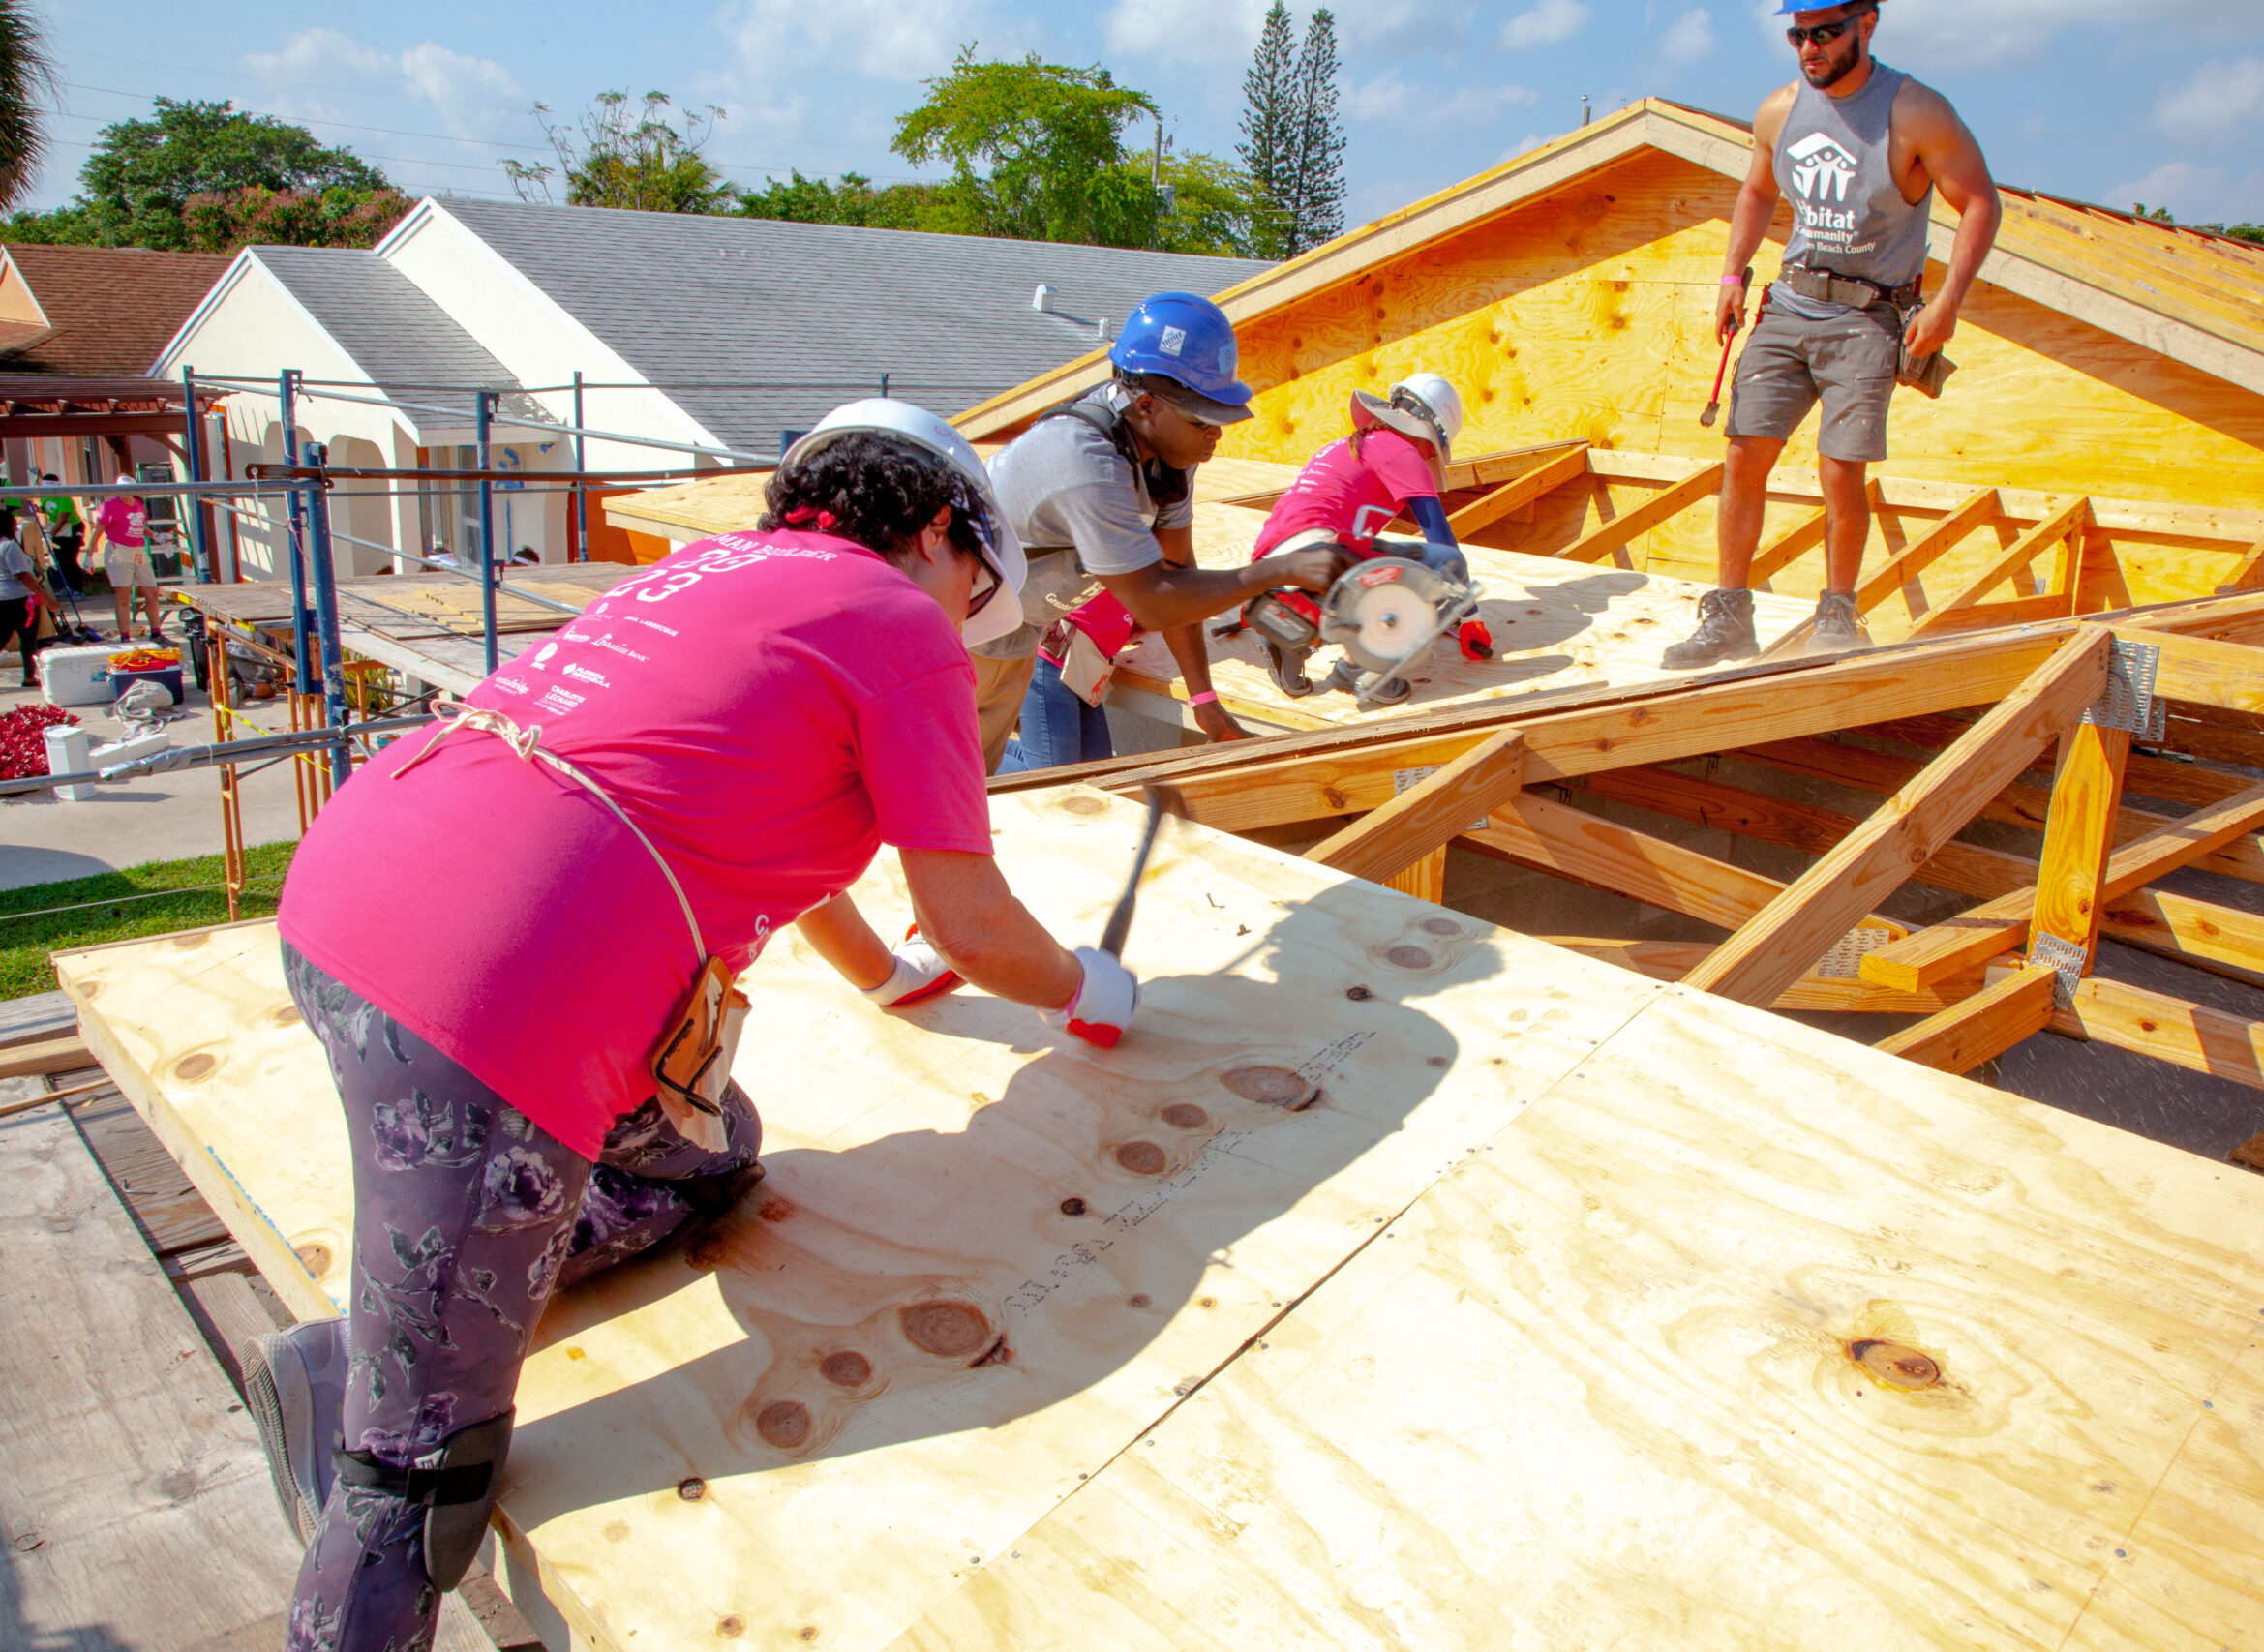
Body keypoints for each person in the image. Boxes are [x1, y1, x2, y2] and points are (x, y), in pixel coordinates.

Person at [235, 401, 1138, 1652]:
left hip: (358, 887)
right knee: (419, 1492)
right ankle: (379, 1376)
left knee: (708, 1154)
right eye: (974, 587)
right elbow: (974, 919)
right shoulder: (898, 620)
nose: (965, 621)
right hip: (489, 991)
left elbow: (760, 820)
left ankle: (403, 1324)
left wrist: (884, 977)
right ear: (939, 529)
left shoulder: (711, 574)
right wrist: (1088, 987)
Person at [1662, 0, 2000, 667]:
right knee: (1743, 452)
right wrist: (1732, 275)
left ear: (1866, 24)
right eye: (1798, 35)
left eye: (1825, 32)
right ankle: (1729, 616)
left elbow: (1980, 201)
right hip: (1790, 304)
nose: (1809, 47)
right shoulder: (1779, 111)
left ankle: (1837, 616)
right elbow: (1758, 192)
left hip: (1869, 316)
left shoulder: (1914, 112)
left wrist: (1948, 303)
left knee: (1840, 469)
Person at [981, 291, 1349, 773]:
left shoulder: (1168, 455)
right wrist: (1278, 571)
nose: (1216, 434)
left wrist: (1205, 702)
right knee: (1004, 785)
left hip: (1019, 630)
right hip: (959, 630)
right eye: (1204, 420)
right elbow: (1155, 600)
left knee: (1003, 780)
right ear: (1148, 405)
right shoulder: (1086, 461)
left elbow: (1178, 574)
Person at [1244, 373, 1494, 705]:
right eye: (1432, 450)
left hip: (1272, 564)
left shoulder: (1349, 444)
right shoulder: (1404, 452)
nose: (1428, 458)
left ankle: (1291, 635)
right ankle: (1357, 668)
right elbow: (1443, 543)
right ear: (1427, 435)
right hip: (1320, 553)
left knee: (1377, 562)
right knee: (1445, 564)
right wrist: (1469, 616)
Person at [94, 474, 165, 642]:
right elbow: (98, 530)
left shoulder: (138, 504)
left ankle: (156, 634)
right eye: (121, 488)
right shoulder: (109, 506)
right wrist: (89, 554)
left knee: (152, 593)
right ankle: (125, 637)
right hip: (119, 550)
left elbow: (140, 527)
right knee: (124, 596)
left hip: (139, 550)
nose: (124, 491)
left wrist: (156, 536)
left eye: (128, 488)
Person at [0, 507, 60, 688]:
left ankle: (29, 676)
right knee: (27, 639)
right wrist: (46, 598)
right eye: (15, 523)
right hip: (19, 598)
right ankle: (29, 677)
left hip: (3, 597)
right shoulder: (9, 546)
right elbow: (23, 576)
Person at [39, 474, 82, 597]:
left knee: (69, 559)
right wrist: (39, 509)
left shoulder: (63, 497)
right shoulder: (44, 496)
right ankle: (67, 587)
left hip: (71, 529)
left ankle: (77, 589)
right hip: (56, 528)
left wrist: (50, 535)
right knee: (60, 560)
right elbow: (47, 508)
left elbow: (63, 519)